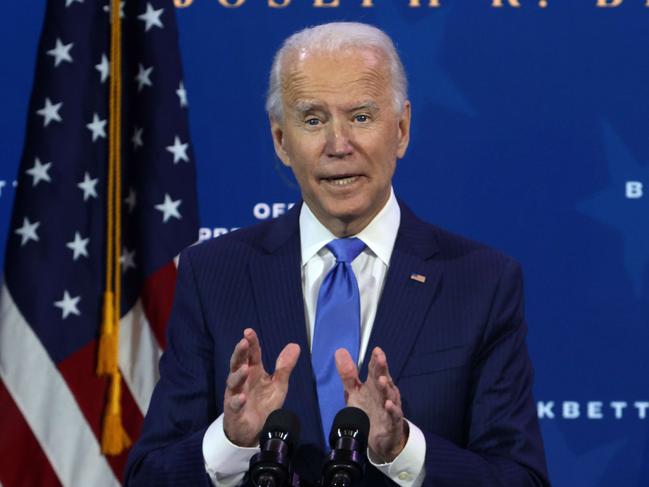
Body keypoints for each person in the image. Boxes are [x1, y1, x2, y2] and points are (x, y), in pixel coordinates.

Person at [125, 22, 549, 486]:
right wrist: (231, 441)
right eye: (312, 119)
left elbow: (521, 479)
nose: (338, 145)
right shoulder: (214, 274)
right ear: (281, 141)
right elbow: (149, 476)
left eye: (361, 117)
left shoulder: (480, 282)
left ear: (402, 129)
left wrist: (405, 451)